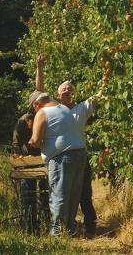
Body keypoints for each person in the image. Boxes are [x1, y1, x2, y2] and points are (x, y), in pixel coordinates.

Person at [35, 55, 101, 238]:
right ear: (57, 95)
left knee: (83, 194)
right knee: (61, 194)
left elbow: (99, 94)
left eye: (69, 90)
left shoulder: (80, 109)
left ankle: (89, 229)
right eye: (63, 90)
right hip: (61, 156)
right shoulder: (51, 109)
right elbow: (38, 93)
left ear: (74, 93)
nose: (66, 91)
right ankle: (64, 229)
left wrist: (107, 65)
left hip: (79, 155)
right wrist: (40, 69)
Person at [28, 91, 87, 236]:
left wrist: (30, 143)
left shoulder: (43, 112)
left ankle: (58, 232)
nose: (34, 111)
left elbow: (35, 141)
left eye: (33, 108)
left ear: (37, 104)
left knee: (59, 194)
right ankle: (70, 229)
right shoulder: (64, 108)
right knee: (73, 194)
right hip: (80, 154)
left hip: (62, 157)